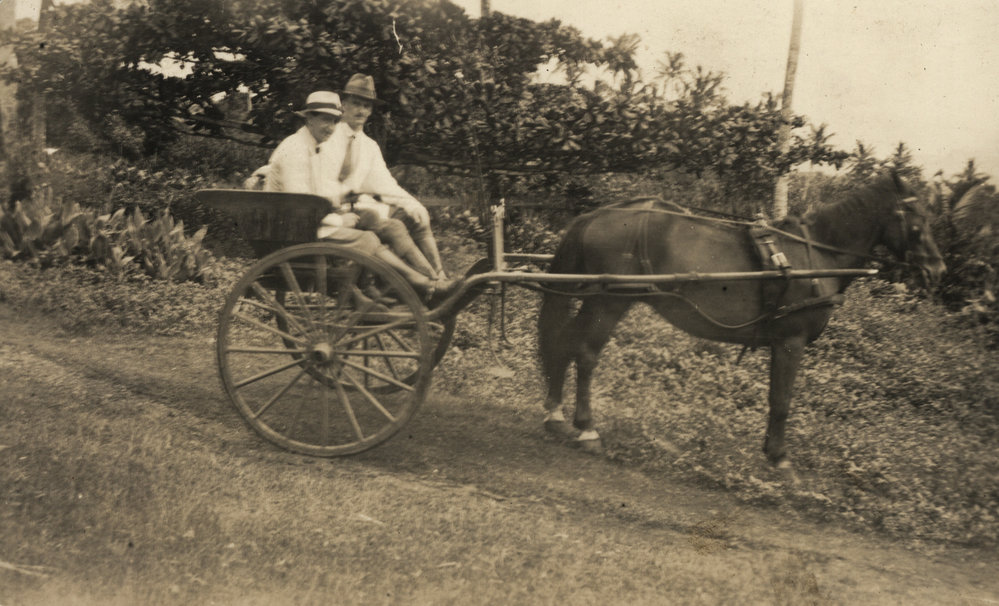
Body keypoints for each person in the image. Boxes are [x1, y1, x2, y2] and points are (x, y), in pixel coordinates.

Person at [245, 90, 452, 303]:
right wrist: (340, 219)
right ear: (309, 118)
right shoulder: (296, 150)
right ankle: (419, 283)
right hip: (294, 232)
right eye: (325, 120)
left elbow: (321, 193)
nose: (331, 127)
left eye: (335, 121)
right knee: (367, 238)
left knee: (388, 225)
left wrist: (346, 206)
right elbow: (301, 205)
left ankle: (429, 279)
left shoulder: (313, 146)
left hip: (309, 223)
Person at [329, 73, 448, 279]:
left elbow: (385, 184)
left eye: (366, 106)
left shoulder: (368, 146)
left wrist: (413, 204)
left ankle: (440, 274)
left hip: (362, 210)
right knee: (394, 226)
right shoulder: (327, 137)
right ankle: (429, 280)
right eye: (356, 104)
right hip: (336, 211)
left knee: (416, 217)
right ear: (343, 105)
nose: (361, 111)